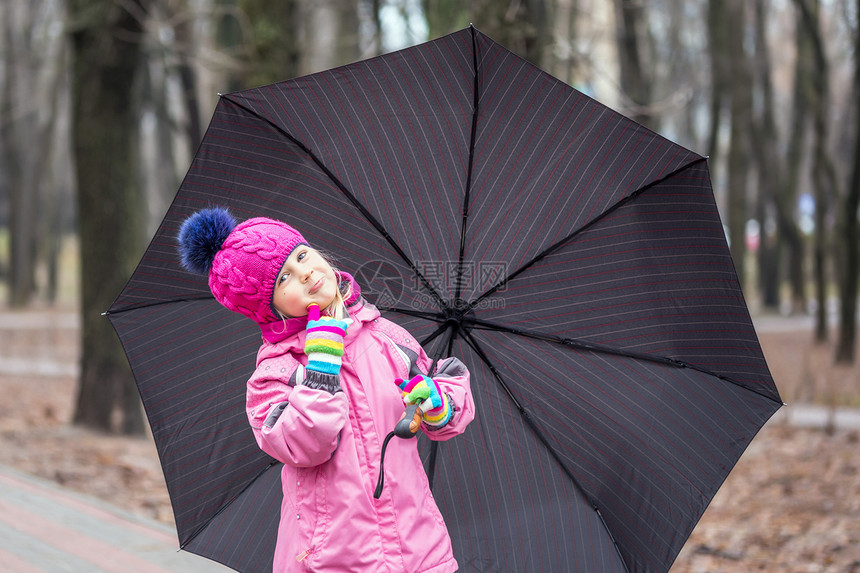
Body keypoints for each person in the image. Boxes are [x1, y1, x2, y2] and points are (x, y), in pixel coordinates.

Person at [177, 207, 475, 573]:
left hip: (418, 545)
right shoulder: (275, 373)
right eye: (284, 277)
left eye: (301, 256)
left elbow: (445, 387)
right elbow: (303, 445)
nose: (305, 273)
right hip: (332, 557)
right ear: (268, 308)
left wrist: (437, 404)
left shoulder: (386, 339)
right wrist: (320, 369)